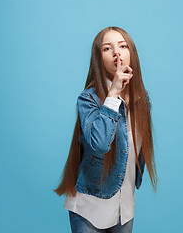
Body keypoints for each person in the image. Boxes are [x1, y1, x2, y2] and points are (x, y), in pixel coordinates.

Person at [54, 26, 157, 233]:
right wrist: (113, 95)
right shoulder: (88, 99)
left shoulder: (142, 98)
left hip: (124, 207)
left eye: (122, 46)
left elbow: (138, 150)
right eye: (107, 48)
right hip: (89, 208)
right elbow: (99, 144)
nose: (116, 53)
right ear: (98, 59)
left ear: (131, 53)